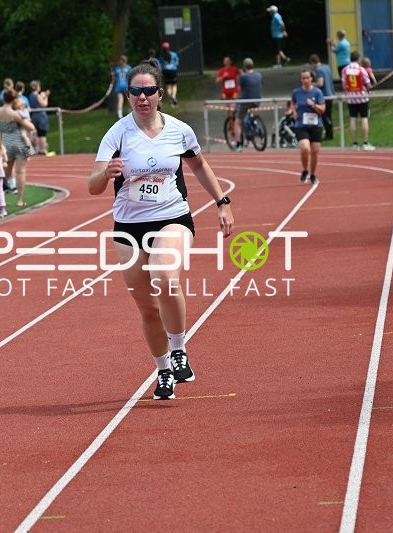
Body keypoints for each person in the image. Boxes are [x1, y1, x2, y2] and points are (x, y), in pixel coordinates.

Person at [87, 59, 234, 400]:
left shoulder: (180, 130)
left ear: (159, 94)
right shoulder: (117, 133)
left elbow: (199, 165)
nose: (142, 97)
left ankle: (179, 347)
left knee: (165, 275)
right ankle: (164, 369)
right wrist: (105, 173)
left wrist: (222, 201)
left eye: (148, 90)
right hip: (128, 226)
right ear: (128, 96)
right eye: (135, 91)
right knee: (147, 308)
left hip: (173, 216)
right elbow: (93, 186)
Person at [0, 88, 36, 206]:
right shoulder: (15, 114)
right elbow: (30, 127)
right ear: (14, 99)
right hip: (19, 141)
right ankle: (20, 200)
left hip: (5, 141)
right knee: (20, 171)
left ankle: (1, 198)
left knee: (6, 171)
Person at [291, 69, 325, 185]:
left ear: (311, 79)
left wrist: (314, 105)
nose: (305, 80)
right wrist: (294, 112)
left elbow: (323, 109)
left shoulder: (317, 92)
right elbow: (292, 102)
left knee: (315, 152)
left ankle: (313, 174)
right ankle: (305, 170)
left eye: (307, 78)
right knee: (305, 148)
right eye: (303, 78)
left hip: (316, 125)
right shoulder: (296, 92)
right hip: (301, 125)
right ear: (301, 79)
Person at [342, 52, 375, 150]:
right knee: (364, 118)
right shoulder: (362, 70)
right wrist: (370, 87)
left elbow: (344, 85)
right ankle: (365, 142)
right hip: (362, 97)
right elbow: (368, 84)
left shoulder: (345, 70)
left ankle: (354, 143)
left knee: (353, 119)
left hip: (351, 98)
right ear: (358, 59)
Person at [235, 57, 263, 151]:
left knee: (238, 122)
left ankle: (238, 144)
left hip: (246, 101)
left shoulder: (243, 76)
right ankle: (255, 125)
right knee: (249, 114)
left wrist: (236, 97)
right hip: (257, 100)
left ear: (244, 67)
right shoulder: (259, 75)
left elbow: (239, 89)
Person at [309, 53, 335, 140]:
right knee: (329, 115)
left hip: (324, 95)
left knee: (325, 116)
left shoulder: (319, 70)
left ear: (313, 63)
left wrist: (311, 84)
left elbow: (320, 83)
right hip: (331, 93)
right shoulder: (326, 67)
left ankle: (329, 134)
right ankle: (330, 133)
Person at [28, 80, 53, 155]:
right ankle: (42, 149)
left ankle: (37, 149)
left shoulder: (31, 95)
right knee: (42, 133)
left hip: (34, 116)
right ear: (37, 87)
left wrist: (43, 96)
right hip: (41, 116)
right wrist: (46, 97)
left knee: (36, 133)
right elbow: (44, 104)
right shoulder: (37, 96)